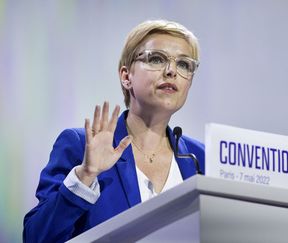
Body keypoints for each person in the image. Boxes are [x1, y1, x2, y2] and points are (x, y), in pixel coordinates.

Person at [23, 19, 205, 242]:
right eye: (157, 59)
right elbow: (36, 237)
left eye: (184, 64)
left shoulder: (201, 159)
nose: (171, 72)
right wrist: (86, 176)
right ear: (126, 76)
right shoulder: (80, 145)